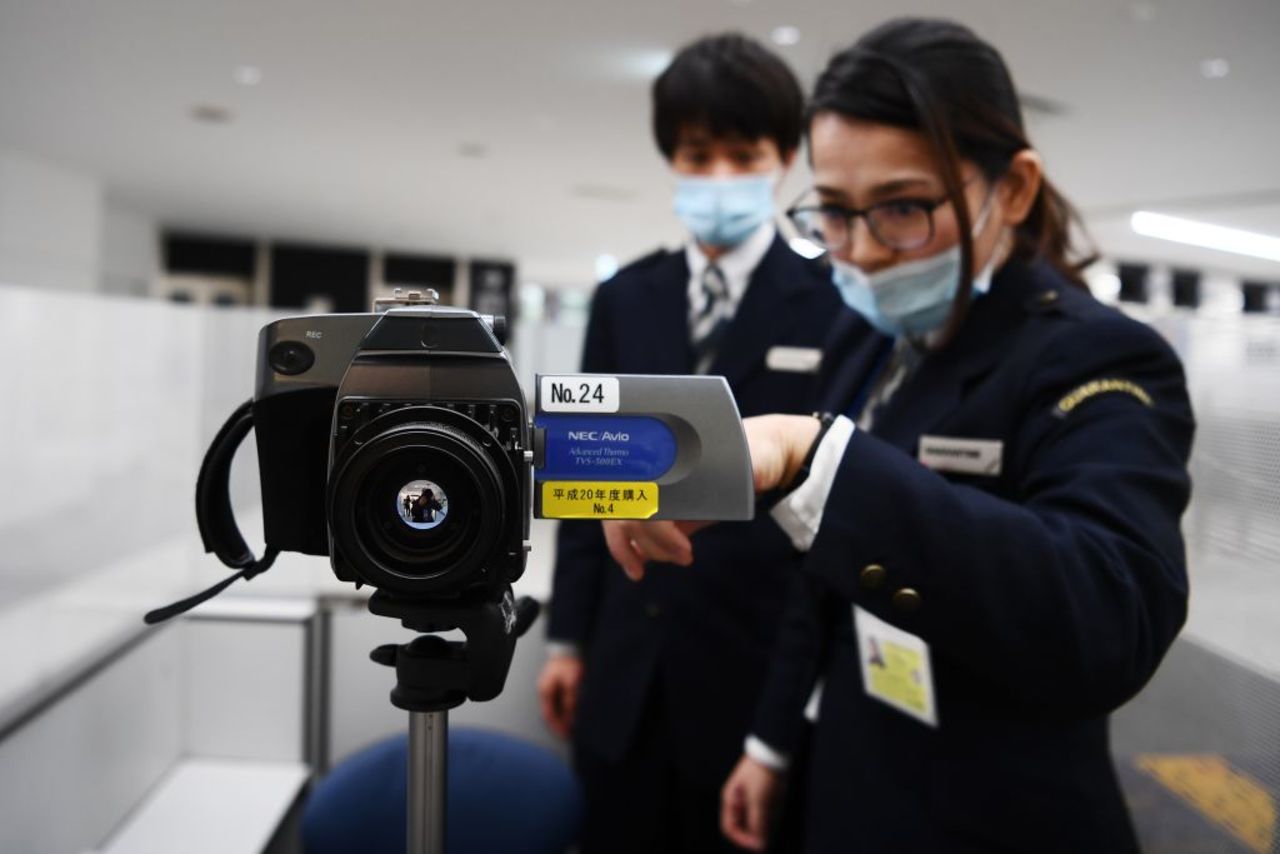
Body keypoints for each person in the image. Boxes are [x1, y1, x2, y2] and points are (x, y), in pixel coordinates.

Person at [604, 18, 1194, 854]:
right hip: (853, 769)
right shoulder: (865, 338)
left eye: (905, 209)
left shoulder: (1095, 356)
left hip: (996, 812)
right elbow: (822, 584)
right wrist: (772, 744)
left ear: (1014, 189)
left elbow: (1110, 617)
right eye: (836, 215)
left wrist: (816, 462)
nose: (867, 253)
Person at [536, 33, 842, 853]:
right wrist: (567, 641)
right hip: (623, 672)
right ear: (671, 158)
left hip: (752, 675)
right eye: (698, 155)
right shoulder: (625, 299)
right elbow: (582, 481)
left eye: (743, 155)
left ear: (781, 159)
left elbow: (831, 517)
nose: (718, 178)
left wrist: (786, 724)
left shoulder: (829, 304)